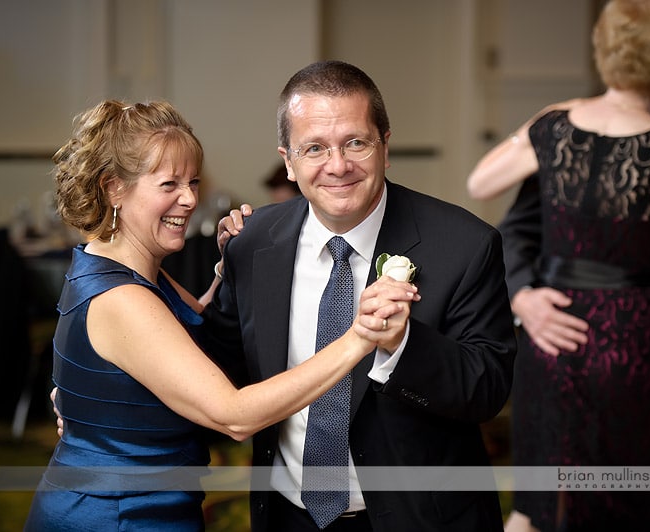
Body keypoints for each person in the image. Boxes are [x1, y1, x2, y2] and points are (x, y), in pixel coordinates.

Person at [25, 99, 418, 531]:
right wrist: (359, 338)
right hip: (118, 514)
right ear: (114, 187)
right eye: (169, 184)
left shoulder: (126, 267)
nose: (190, 199)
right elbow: (234, 415)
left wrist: (233, 263)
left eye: (193, 182)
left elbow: (194, 329)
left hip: (142, 500)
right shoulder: (123, 297)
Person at [206, 60, 516, 531]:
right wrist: (103, 386)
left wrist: (403, 345)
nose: (338, 166)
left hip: (418, 519)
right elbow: (216, 366)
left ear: (385, 146)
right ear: (288, 161)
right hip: (288, 515)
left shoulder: (465, 245)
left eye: (356, 142)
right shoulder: (252, 244)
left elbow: (488, 389)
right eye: (314, 148)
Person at [467, 0, 650, 530]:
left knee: (537, 509)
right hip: (633, 346)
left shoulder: (555, 128)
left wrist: (553, 118)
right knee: (639, 504)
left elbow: (480, 183)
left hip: (551, 344)